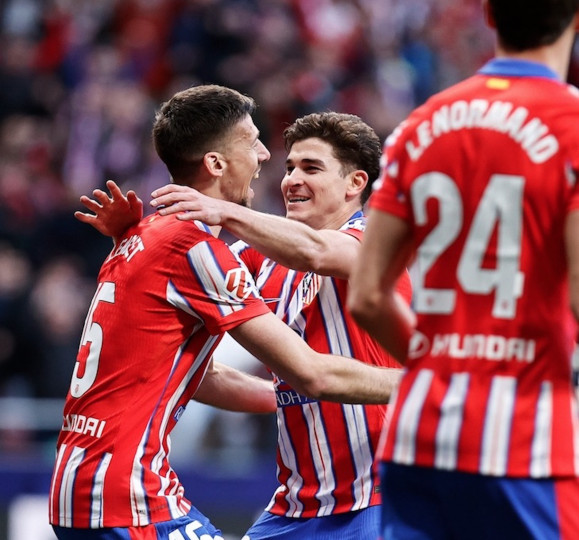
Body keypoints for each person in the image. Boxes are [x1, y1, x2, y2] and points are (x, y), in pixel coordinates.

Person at [48, 85, 403, 540]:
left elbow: (317, 254)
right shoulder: (214, 253)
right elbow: (298, 375)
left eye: (310, 168)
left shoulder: (377, 240)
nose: (274, 165)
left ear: (356, 184)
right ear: (216, 164)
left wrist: (213, 214)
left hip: (373, 498)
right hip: (160, 496)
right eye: (286, 163)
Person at [347, 0, 579, 538]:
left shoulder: (420, 125)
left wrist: (441, 367)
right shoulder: (571, 125)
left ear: (491, 16)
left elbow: (367, 296)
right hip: (529, 438)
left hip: (421, 432)